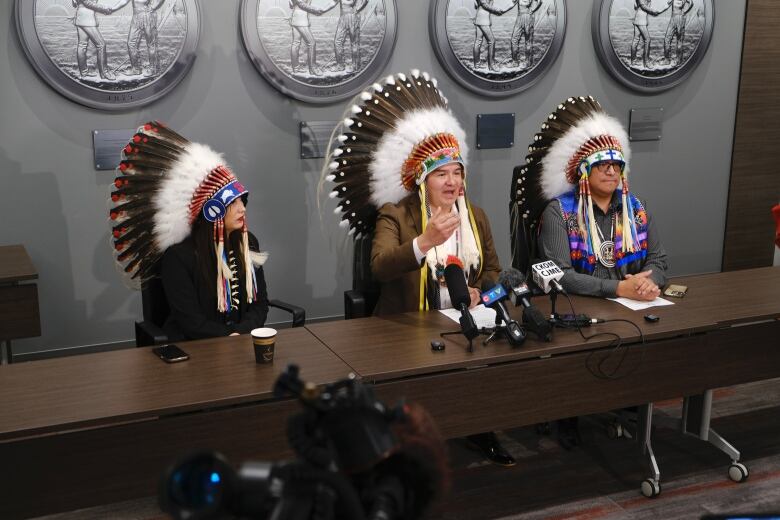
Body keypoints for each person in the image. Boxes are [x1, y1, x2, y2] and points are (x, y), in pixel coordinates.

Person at [323, 70, 514, 467]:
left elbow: (494, 268)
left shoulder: (475, 216)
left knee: (489, 362)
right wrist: (424, 242)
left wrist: (484, 292)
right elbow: (379, 267)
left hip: (466, 317)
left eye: (457, 173)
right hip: (408, 323)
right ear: (423, 180)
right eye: (441, 174)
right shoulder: (397, 214)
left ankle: (482, 426)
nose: (452, 182)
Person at [514, 96, 668, 447]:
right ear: (584, 172)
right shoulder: (560, 213)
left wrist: (648, 282)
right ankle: (568, 415)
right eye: (602, 165)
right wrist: (617, 290)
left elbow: (659, 261)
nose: (612, 171)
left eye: (617, 164)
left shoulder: (636, 209)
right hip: (575, 308)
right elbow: (561, 274)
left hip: (631, 306)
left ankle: (630, 407)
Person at [109, 121, 270, 341]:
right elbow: (191, 324)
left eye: (243, 201)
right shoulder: (179, 257)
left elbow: (260, 306)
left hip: (241, 344)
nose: (243, 209)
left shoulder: (247, 242)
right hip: (196, 350)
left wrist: (240, 334)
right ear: (213, 212)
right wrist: (230, 337)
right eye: (234, 203)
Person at [72, 0, 119, 80]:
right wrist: (105, 9)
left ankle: (84, 73)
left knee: (82, 45)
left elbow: (75, 4)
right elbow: (88, 3)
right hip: (87, 18)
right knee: (101, 45)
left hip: (81, 17)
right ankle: (104, 73)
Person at [289, 0, 338, 76]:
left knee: (296, 43)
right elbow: (302, 4)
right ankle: (313, 68)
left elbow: (291, 5)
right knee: (312, 43)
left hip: (296, 17)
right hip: (301, 19)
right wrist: (316, 10)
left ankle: (296, 68)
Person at [630, 0, 671, 69]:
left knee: (636, 39)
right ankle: (646, 62)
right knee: (647, 39)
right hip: (641, 19)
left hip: (638, 18)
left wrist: (665, 7)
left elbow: (638, 6)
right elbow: (644, 7)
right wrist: (654, 11)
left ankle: (633, 60)